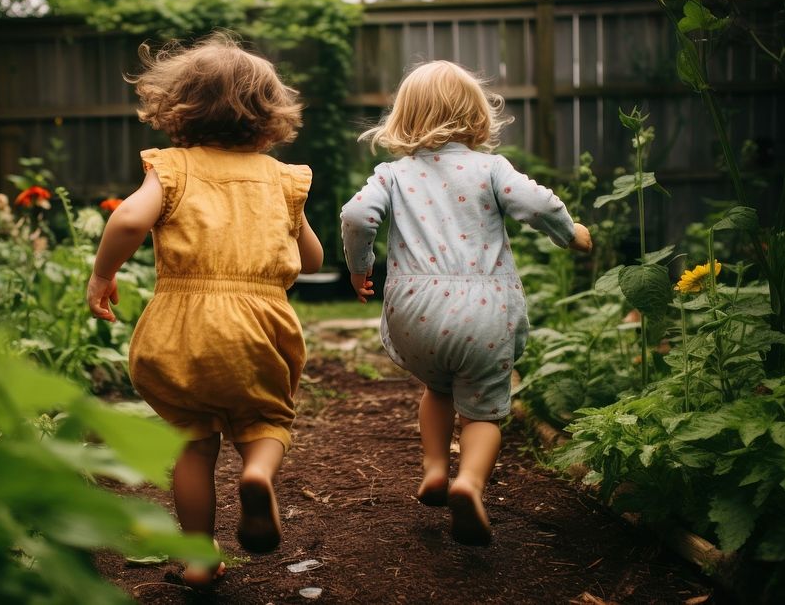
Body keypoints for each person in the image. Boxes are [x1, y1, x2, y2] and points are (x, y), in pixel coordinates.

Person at [86, 32, 323, 586]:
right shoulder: (284, 179)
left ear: (179, 109)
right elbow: (309, 259)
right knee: (265, 419)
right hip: (261, 326)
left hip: (182, 327)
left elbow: (125, 221)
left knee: (193, 443)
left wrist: (103, 274)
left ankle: (196, 557)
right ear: (270, 117)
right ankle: (258, 474)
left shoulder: (171, 168)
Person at [340, 60, 592, 545]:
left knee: (437, 388)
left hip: (414, 306)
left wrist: (359, 266)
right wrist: (571, 233)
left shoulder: (391, 174)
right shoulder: (490, 168)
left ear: (404, 119)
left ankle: (434, 468)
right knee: (483, 410)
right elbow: (536, 205)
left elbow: (356, 216)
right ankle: (470, 484)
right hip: (484, 309)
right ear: (477, 116)